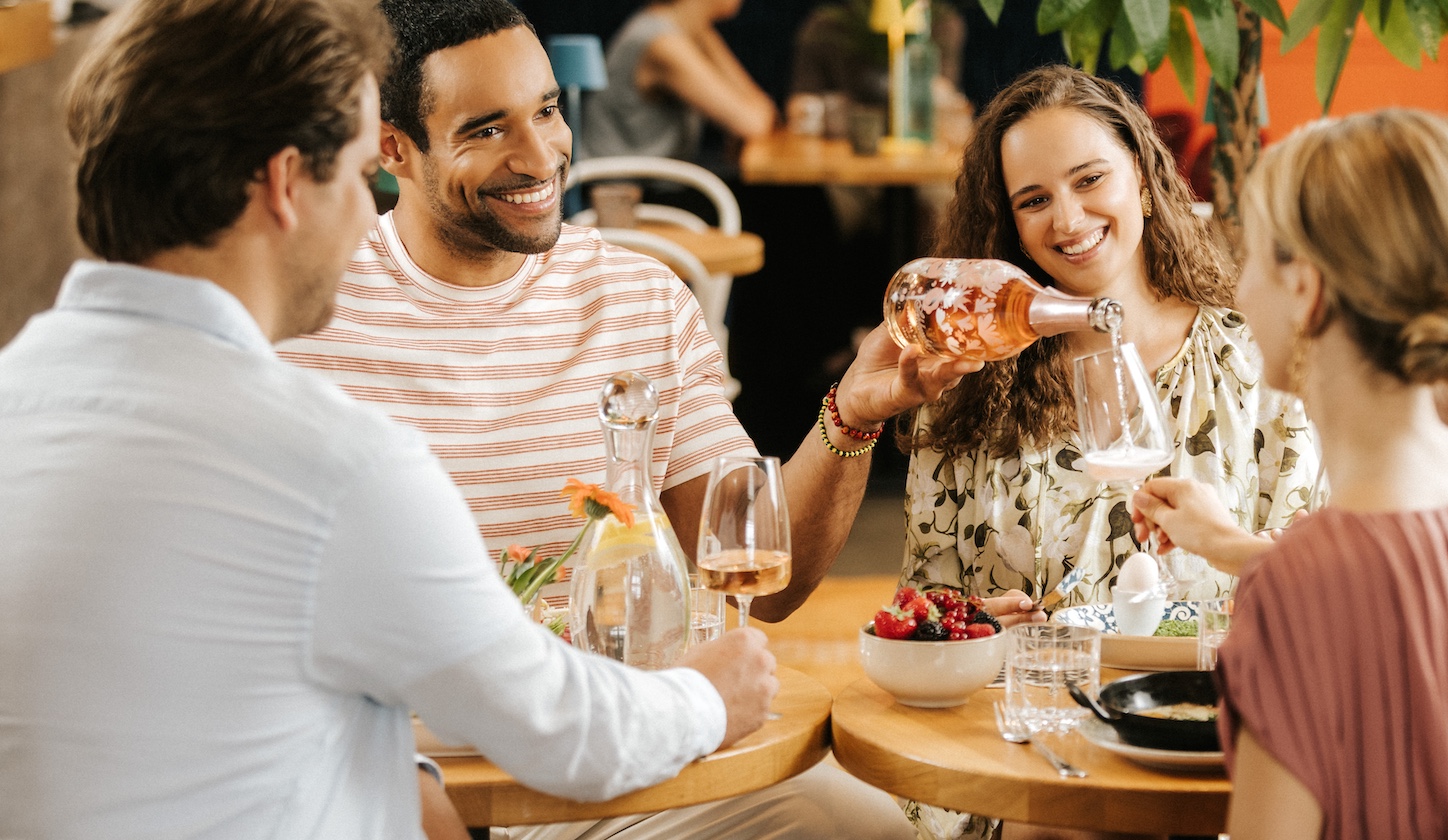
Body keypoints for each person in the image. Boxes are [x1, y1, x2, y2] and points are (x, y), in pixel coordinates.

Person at [0, 0, 781, 837]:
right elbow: (560, 729)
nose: (362, 223)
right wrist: (709, 696)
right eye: (357, 175)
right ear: (286, 185)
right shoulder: (331, 463)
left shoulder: (19, 394)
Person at [279, 1, 969, 837]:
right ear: (393, 148)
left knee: (862, 830)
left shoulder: (639, 298)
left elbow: (768, 583)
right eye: (487, 130)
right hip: (377, 774)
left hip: (613, 756)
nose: (540, 155)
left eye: (546, 110)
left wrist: (850, 420)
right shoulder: (304, 313)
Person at [1132, 109, 1448, 839]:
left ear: (1305, 291)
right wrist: (1231, 546)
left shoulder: (1300, 589)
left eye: (1251, 257)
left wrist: (1274, 574)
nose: (1238, 291)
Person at [899, 65, 1321, 612]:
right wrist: (974, 626)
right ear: (1012, 226)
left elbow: (1312, 596)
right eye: (1034, 201)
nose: (1068, 220)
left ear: (1141, 174)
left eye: (1089, 180)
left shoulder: (1257, 362)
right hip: (1027, 672)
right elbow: (922, 607)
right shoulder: (968, 376)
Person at [581, 0, 777, 161]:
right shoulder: (661, 42)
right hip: (615, 189)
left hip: (647, 184)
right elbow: (753, 123)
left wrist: (704, 33)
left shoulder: (683, 28)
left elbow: (761, 109)